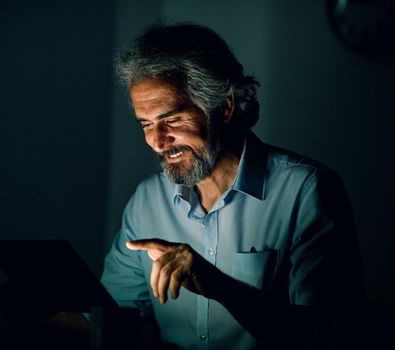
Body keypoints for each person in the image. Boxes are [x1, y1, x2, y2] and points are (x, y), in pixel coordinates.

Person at [99, 23, 365, 349]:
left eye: (171, 119)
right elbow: (115, 315)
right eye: (146, 124)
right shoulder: (148, 199)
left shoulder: (307, 190)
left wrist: (219, 286)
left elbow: (327, 336)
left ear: (224, 107)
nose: (156, 141)